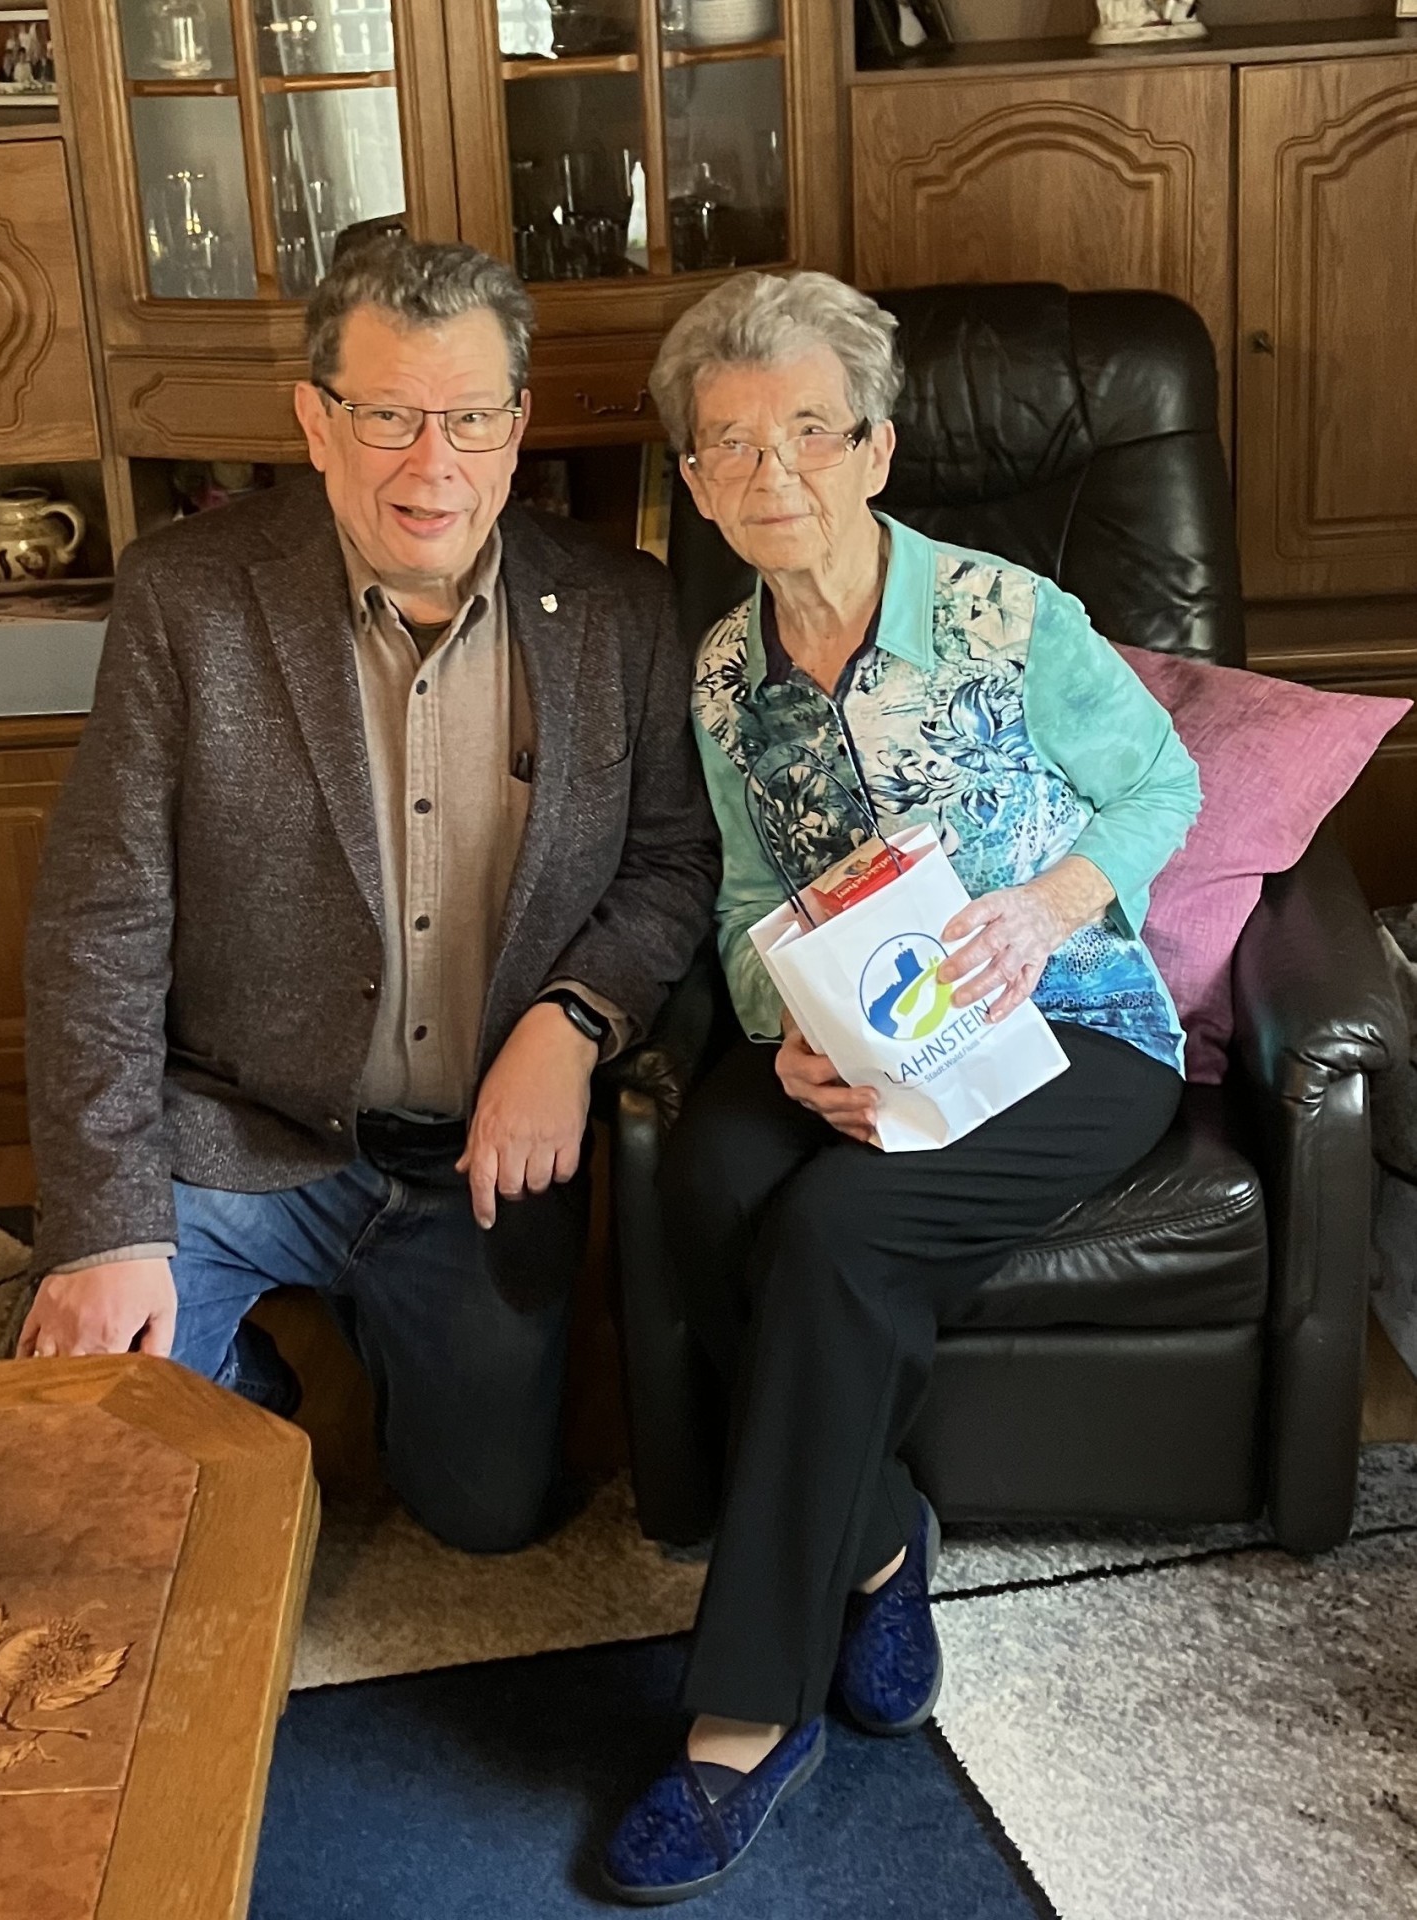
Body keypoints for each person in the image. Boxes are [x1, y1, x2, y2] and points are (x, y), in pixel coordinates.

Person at [601, 270, 1201, 1901]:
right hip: (856, 1026)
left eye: (808, 431)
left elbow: (1163, 784)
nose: (769, 472)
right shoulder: (723, 676)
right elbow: (738, 899)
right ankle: (878, 1541)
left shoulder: (1008, 617)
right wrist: (775, 1023)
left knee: (838, 1236)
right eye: (728, 446)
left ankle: (746, 1710)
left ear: (875, 447)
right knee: (708, 1176)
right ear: (696, 480)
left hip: (1065, 1026)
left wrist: (1046, 906)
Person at [17, 231, 718, 1556]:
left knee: (486, 1515)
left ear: (516, 425)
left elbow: (674, 859)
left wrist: (572, 1021)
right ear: (316, 421)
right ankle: (249, 1378)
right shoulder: (187, 598)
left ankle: (361, 1362)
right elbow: (97, 927)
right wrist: (99, 1234)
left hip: (476, 1160)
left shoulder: (624, 613)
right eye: (387, 413)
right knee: (97, 1451)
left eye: (465, 416)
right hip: (239, 1131)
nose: (431, 462)